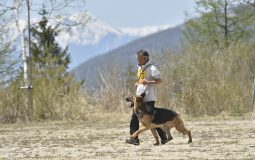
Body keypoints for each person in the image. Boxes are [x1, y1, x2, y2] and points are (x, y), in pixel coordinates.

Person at [126, 50, 168, 145]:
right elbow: (142, 80)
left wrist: (149, 82)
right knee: (134, 117)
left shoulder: (152, 68)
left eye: (140, 58)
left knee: (152, 119)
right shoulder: (139, 68)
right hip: (139, 98)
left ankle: (163, 136)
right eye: (137, 58)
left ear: (146, 58)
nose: (138, 60)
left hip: (149, 98)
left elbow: (160, 80)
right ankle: (134, 139)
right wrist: (139, 83)